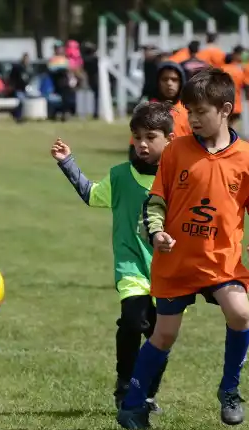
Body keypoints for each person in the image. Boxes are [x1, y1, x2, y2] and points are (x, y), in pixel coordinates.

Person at [117, 69, 249, 430]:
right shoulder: (175, 152)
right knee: (164, 334)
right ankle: (133, 404)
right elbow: (156, 201)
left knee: (239, 313)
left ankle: (230, 390)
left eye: (200, 112)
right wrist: (157, 232)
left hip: (221, 261)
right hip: (176, 261)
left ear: (225, 109)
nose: (191, 119)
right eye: (188, 112)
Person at [52, 102, 175, 411]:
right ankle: (124, 383)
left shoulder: (179, 180)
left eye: (151, 136)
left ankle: (147, 392)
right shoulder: (120, 176)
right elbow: (92, 195)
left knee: (161, 335)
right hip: (131, 266)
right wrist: (68, 163)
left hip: (170, 272)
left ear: (170, 139)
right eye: (137, 137)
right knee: (133, 322)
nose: (142, 144)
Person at [129, 61, 191, 160]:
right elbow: (134, 146)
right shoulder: (147, 110)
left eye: (174, 80)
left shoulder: (189, 111)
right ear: (157, 82)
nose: (169, 83)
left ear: (181, 82)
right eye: (164, 79)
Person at [222, 49, 246, 126]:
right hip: (236, 103)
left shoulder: (220, 70)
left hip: (224, 103)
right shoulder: (238, 70)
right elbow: (243, 85)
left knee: (225, 125)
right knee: (233, 126)